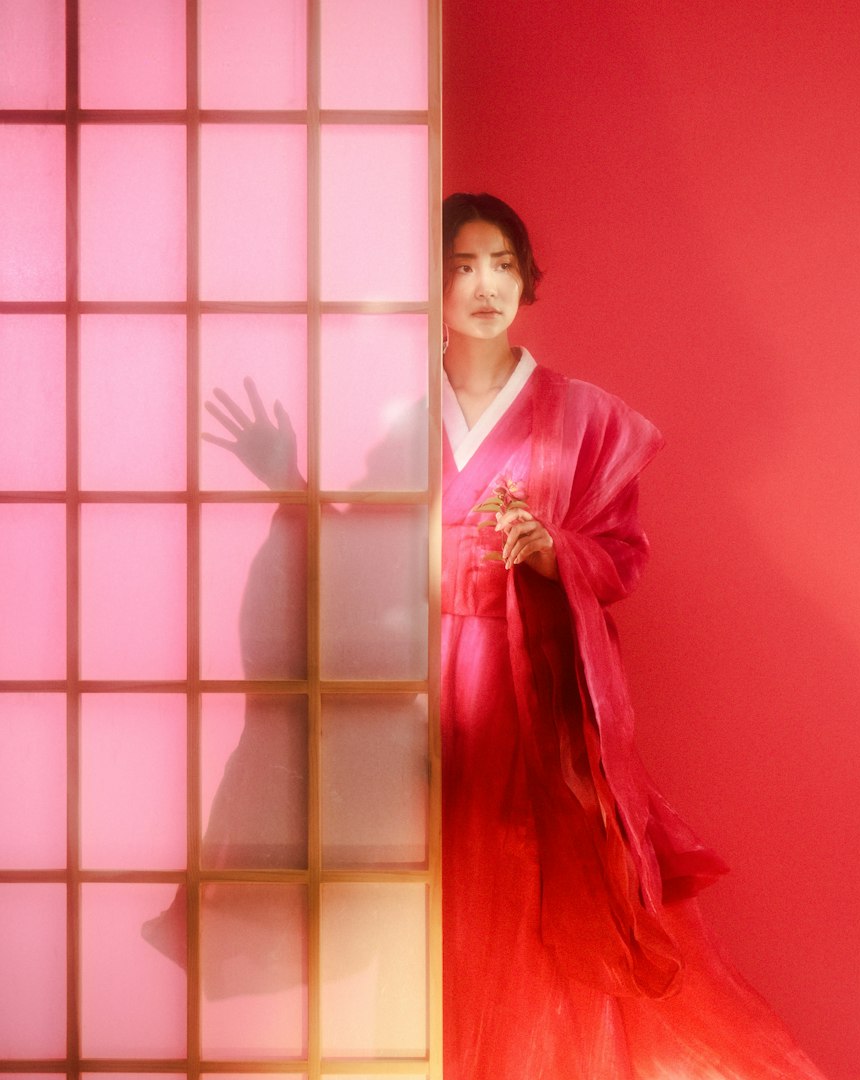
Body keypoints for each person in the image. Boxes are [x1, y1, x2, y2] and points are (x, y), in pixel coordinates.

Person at [206, 191, 827, 1077]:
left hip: (521, 681)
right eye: (461, 265)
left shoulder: (583, 416)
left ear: (528, 279)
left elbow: (621, 554)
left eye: (502, 263)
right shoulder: (391, 412)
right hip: (406, 685)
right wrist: (289, 479)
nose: (484, 284)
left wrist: (550, 553)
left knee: (523, 880)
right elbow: (354, 554)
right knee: (410, 884)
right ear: (432, 285)